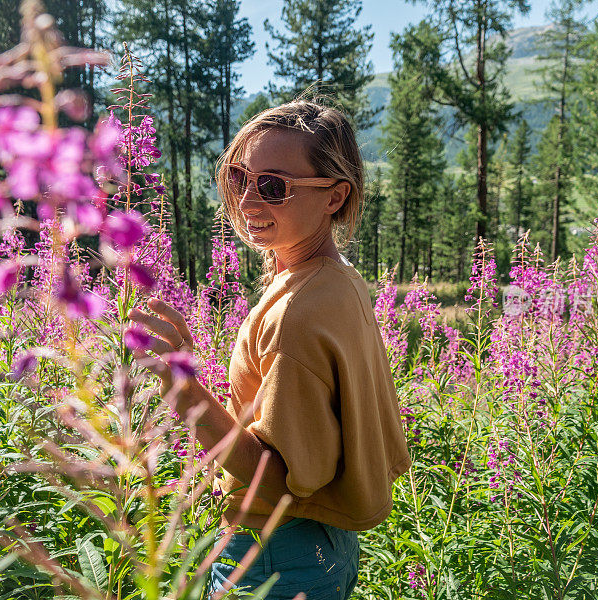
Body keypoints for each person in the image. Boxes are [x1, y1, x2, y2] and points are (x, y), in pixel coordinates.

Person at [129, 99, 411, 600]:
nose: (248, 201)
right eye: (241, 178)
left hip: (276, 553)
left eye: (274, 186)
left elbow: (277, 484)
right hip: (325, 542)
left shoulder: (295, 313)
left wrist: (184, 388)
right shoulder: (335, 279)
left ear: (334, 196)